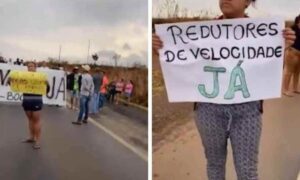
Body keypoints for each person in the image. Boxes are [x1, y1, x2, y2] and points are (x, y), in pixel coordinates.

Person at [153, 0, 296, 179]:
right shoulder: (197, 34)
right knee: (214, 165)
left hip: (248, 111)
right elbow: (184, 63)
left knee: (247, 171)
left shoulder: (265, 34)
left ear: (247, 2)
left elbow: (268, 73)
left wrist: (281, 47)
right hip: (208, 110)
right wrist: (163, 49)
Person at [9, 61, 50, 149]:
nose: (30, 68)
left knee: (36, 120)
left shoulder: (41, 77)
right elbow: (14, 85)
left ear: (35, 68)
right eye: (28, 66)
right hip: (26, 100)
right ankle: (31, 137)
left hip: (36, 100)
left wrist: (46, 84)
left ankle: (37, 141)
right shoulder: (24, 77)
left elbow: (47, 89)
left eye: (32, 66)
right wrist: (11, 80)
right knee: (30, 119)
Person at [283, 15, 300, 96]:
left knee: (297, 72)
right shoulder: (293, 28)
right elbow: (285, 36)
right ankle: (285, 89)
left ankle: (295, 88)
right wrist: (287, 48)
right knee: (289, 72)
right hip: (292, 52)